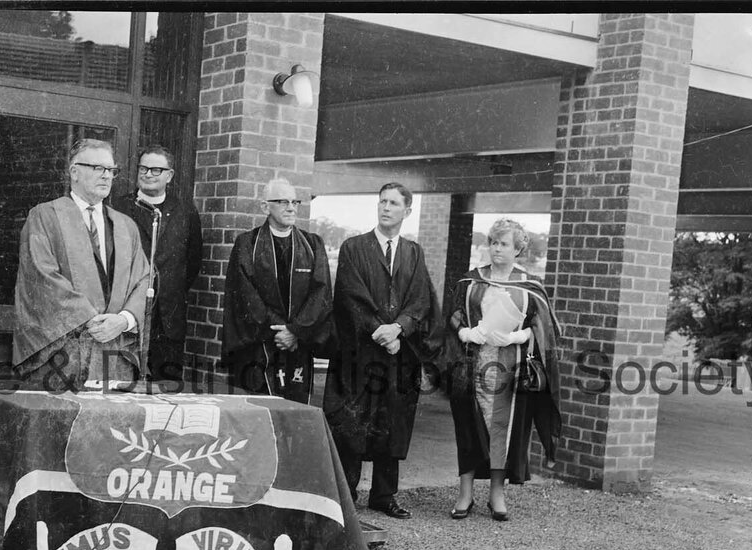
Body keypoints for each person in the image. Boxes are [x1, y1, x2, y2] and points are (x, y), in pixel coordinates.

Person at [322, 183, 443, 519]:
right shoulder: (353, 247)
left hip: (398, 352)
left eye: (393, 203)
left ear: (407, 210)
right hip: (362, 351)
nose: (386, 207)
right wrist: (379, 329)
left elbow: (421, 299)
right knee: (354, 421)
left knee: (393, 421)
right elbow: (349, 294)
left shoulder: (413, 252)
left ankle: (383, 495)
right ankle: (346, 493)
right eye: (382, 201)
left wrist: (399, 328)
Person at [443, 217, 561, 522]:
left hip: (510, 369)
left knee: (502, 430)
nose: (496, 249)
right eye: (493, 242)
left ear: (518, 249)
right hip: (473, 364)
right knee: (469, 428)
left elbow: (543, 326)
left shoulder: (529, 285)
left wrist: (519, 336)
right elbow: (454, 314)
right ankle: (465, 493)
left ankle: (497, 492)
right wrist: (466, 333)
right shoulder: (471, 281)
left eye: (504, 244)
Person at [13, 138, 151, 389]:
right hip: (65, 353)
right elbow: (41, 275)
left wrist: (123, 320)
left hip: (115, 355)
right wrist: (92, 320)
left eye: (111, 170)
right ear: (74, 172)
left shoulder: (126, 226)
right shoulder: (45, 216)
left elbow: (145, 279)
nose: (106, 176)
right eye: (97, 168)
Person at [221, 178, 333, 403]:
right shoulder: (248, 244)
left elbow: (320, 294)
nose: (291, 208)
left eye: (294, 202)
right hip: (259, 344)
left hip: (298, 344)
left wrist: (295, 331)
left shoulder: (312, 245)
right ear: (265, 207)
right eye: (282, 202)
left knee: (296, 412)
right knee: (260, 412)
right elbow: (246, 295)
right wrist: (281, 331)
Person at [112, 144, 203, 382]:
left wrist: (169, 289)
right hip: (128, 313)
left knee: (166, 389)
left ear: (169, 175)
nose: (148, 174)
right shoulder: (119, 207)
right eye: (144, 168)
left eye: (156, 170)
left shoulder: (185, 211)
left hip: (168, 318)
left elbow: (193, 261)